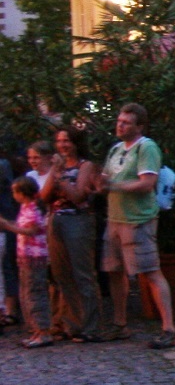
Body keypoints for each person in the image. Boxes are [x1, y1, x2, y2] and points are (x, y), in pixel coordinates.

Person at [100, 103, 175, 349]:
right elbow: (106, 177)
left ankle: (168, 328)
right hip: (115, 219)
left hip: (138, 220)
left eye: (126, 122)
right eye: (119, 120)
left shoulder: (147, 147)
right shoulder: (115, 150)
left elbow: (147, 183)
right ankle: (120, 323)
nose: (120, 125)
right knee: (115, 271)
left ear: (139, 126)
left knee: (150, 271)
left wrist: (115, 186)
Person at [45, 126, 104, 342]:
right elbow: (43, 196)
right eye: (59, 141)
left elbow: (78, 196)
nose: (62, 145)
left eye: (67, 141)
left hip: (79, 220)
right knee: (61, 274)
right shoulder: (57, 166)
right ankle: (71, 324)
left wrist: (60, 178)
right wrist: (55, 173)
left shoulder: (85, 166)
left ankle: (91, 326)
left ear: (76, 143)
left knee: (83, 273)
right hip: (56, 219)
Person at [2, 175, 52, 347]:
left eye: (15, 192)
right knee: (26, 293)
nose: (13, 195)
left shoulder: (34, 209)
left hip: (34, 257)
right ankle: (35, 330)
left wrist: (7, 226)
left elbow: (30, 230)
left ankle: (43, 331)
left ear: (23, 193)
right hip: (25, 257)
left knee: (35, 294)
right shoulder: (25, 207)